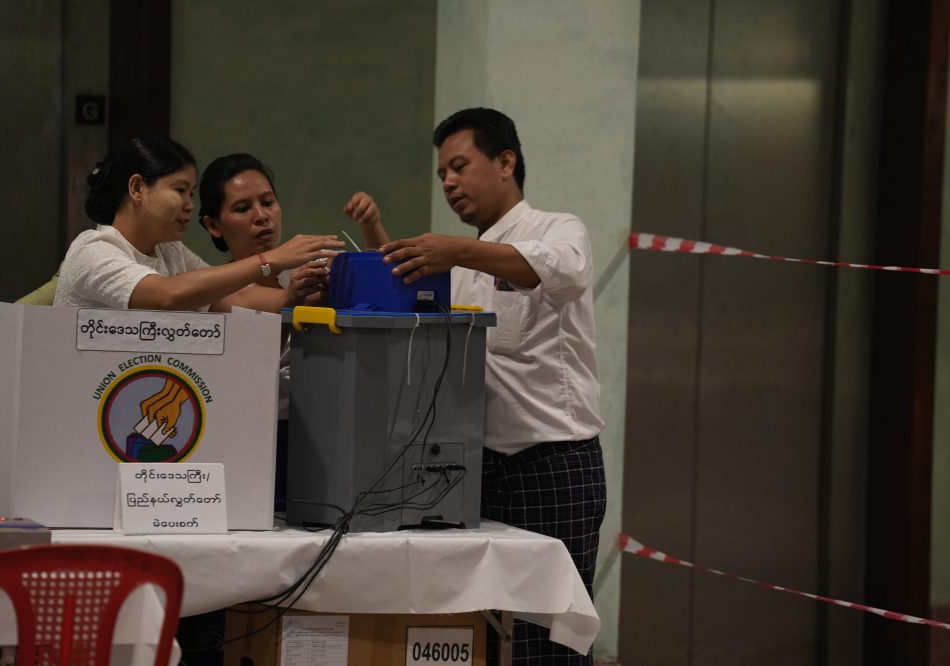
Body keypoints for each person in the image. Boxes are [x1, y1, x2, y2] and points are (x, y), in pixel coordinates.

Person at [380, 107, 606, 665]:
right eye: (442, 175)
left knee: (547, 639)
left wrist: (457, 250)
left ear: (505, 162)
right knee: (485, 630)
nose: (449, 183)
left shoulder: (558, 228)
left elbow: (563, 270)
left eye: (459, 167)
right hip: (478, 467)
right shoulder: (458, 268)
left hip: (553, 464)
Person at [195, 152, 389, 510]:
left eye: (268, 202)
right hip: (250, 441)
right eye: (242, 208)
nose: (261, 216)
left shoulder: (305, 275)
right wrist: (293, 300)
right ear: (213, 225)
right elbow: (257, 360)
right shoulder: (216, 291)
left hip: (325, 434)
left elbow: (384, 290)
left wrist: (371, 226)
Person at [55, 136, 344, 311]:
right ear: (137, 188)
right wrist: (271, 259)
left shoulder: (171, 252)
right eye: (180, 190)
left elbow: (236, 297)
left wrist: (295, 295)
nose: (189, 205)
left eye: (191, 193)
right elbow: (165, 295)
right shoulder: (94, 249)